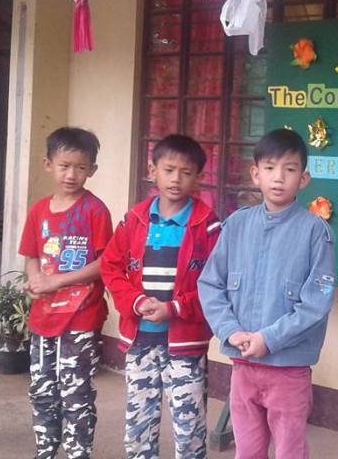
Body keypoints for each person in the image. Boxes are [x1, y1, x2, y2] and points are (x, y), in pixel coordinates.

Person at [198, 128, 336, 459]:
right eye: (271, 168)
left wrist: (269, 339)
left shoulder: (316, 232)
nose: (279, 178)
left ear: (303, 179)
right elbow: (210, 284)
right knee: (248, 450)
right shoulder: (236, 225)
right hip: (242, 365)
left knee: (289, 450)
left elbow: (316, 304)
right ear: (255, 174)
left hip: (288, 369)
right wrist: (231, 331)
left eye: (290, 169)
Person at [101, 135, 220, 459]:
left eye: (186, 172)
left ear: (199, 178)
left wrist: (175, 308)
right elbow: (111, 267)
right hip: (140, 340)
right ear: (152, 170)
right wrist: (136, 302)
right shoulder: (134, 220)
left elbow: (217, 283)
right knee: (139, 421)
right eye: (169, 170)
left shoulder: (207, 226)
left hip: (185, 343)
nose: (176, 179)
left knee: (189, 422)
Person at [18, 127, 112, 459]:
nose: (71, 174)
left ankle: (77, 453)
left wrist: (56, 282)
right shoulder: (39, 211)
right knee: (41, 389)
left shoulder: (95, 211)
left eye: (80, 167)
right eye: (64, 165)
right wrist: (34, 280)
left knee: (76, 392)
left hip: (81, 317)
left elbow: (105, 263)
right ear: (48, 164)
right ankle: (45, 450)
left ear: (92, 170)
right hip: (43, 316)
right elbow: (32, 255)